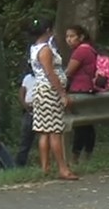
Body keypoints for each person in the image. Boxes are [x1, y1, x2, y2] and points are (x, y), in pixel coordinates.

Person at [28, 19, 77, 180]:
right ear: (48, 29)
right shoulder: (46, 49)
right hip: (49, 91)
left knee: (45, 131)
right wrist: (62, 93)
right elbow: (51, 73)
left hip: (40, 90)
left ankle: (45, 167)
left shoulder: (34, 48)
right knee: (55, 131)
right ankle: (63, 168)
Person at [64, 25, 98, 165]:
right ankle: (86, 154)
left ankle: (75, 156)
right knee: (87, 125)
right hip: (90, 89)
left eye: (72, 36)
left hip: (80, 90)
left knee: (80, 126)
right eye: (67, 37)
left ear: (81, 37)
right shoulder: (90, 49)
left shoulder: (80, 51)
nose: (69, 40)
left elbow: (68, 72)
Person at [16, 63, 38, 167]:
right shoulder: (27, 78)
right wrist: (25, 105)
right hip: (29, 112)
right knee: (25, 140)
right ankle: (20, 164)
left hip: (42, 109)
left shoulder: (45, 77)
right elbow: (21, 92)